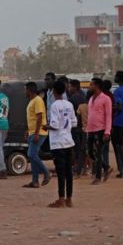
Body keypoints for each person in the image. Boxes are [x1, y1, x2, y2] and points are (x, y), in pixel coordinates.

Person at [44, 80, 77, 208]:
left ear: (54, 91)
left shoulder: (54, 106)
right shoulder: (69, 104)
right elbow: (74, 123)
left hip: (58, 143)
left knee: (61, 172)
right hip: (68, 141)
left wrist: (46, 126)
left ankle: (61, 199)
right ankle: (69, 199)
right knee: (69, 172)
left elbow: (55, 125)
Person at [86, 78, 113, 185]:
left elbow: (109, 116)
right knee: (90, 153)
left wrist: (107, 131)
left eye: (91, 84)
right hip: (90, 129)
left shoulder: (106, 99)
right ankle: (106, 167)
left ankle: (98, 177)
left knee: (98, 153)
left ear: (97, 86)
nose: (89, 86)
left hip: (101, 130)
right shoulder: (91, 98)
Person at [24, 81, 50, 188]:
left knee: (31, 154)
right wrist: (28, 130)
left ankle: (47, 173)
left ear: (29, 90)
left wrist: (36, 134)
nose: (24, 92)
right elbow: (32, 118)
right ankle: (35, 181)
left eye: (25, 90)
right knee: (33, 156)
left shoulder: (38, 100)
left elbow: (39, 117)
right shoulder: (32, 101)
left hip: (39, 132)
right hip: (33, 132)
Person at [68, 79, 87, 177]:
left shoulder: (72, 99)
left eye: (70, 86)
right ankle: (84, 169)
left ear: (75, 87)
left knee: (76, 150)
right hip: (83, 127)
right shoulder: (83, 97)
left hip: (75, 128)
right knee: (82, 149)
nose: (69, 88)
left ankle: (77, 170)